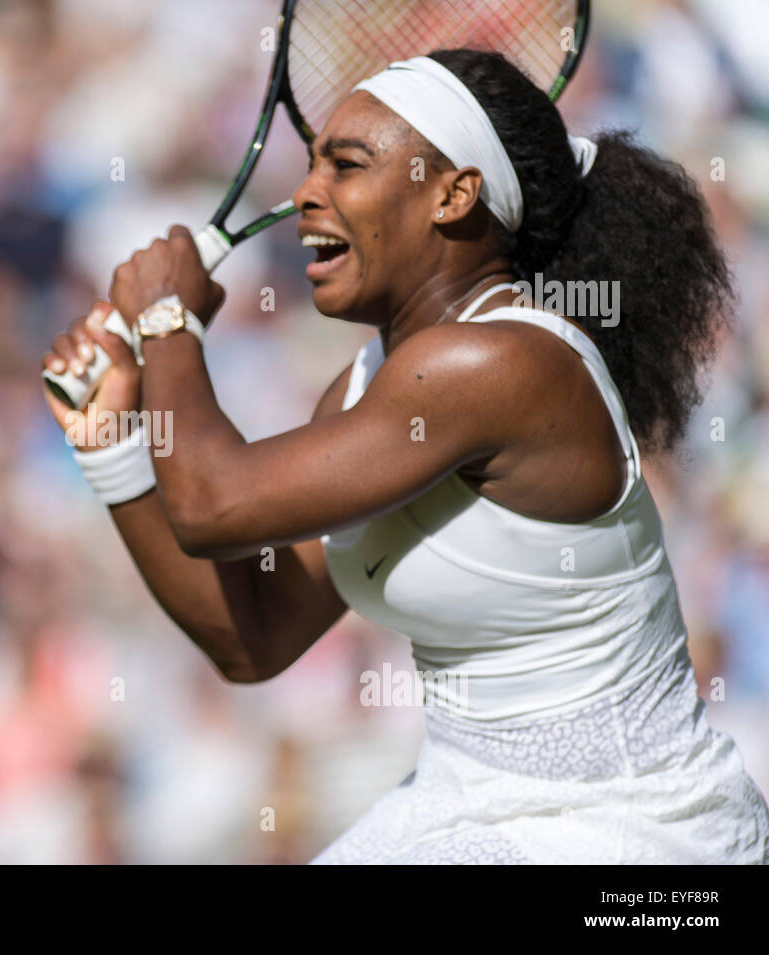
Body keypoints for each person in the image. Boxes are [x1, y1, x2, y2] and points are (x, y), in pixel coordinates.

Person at [41, 49, 769, 864]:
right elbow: (255, 636)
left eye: (346, 165)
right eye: (313, 162)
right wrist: (117, 446)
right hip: (465, 806)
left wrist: (168, 319)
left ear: (454, 193)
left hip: (631, 834)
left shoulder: (499, 363)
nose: (305, 192)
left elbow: (216, 506)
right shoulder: (366, 393)